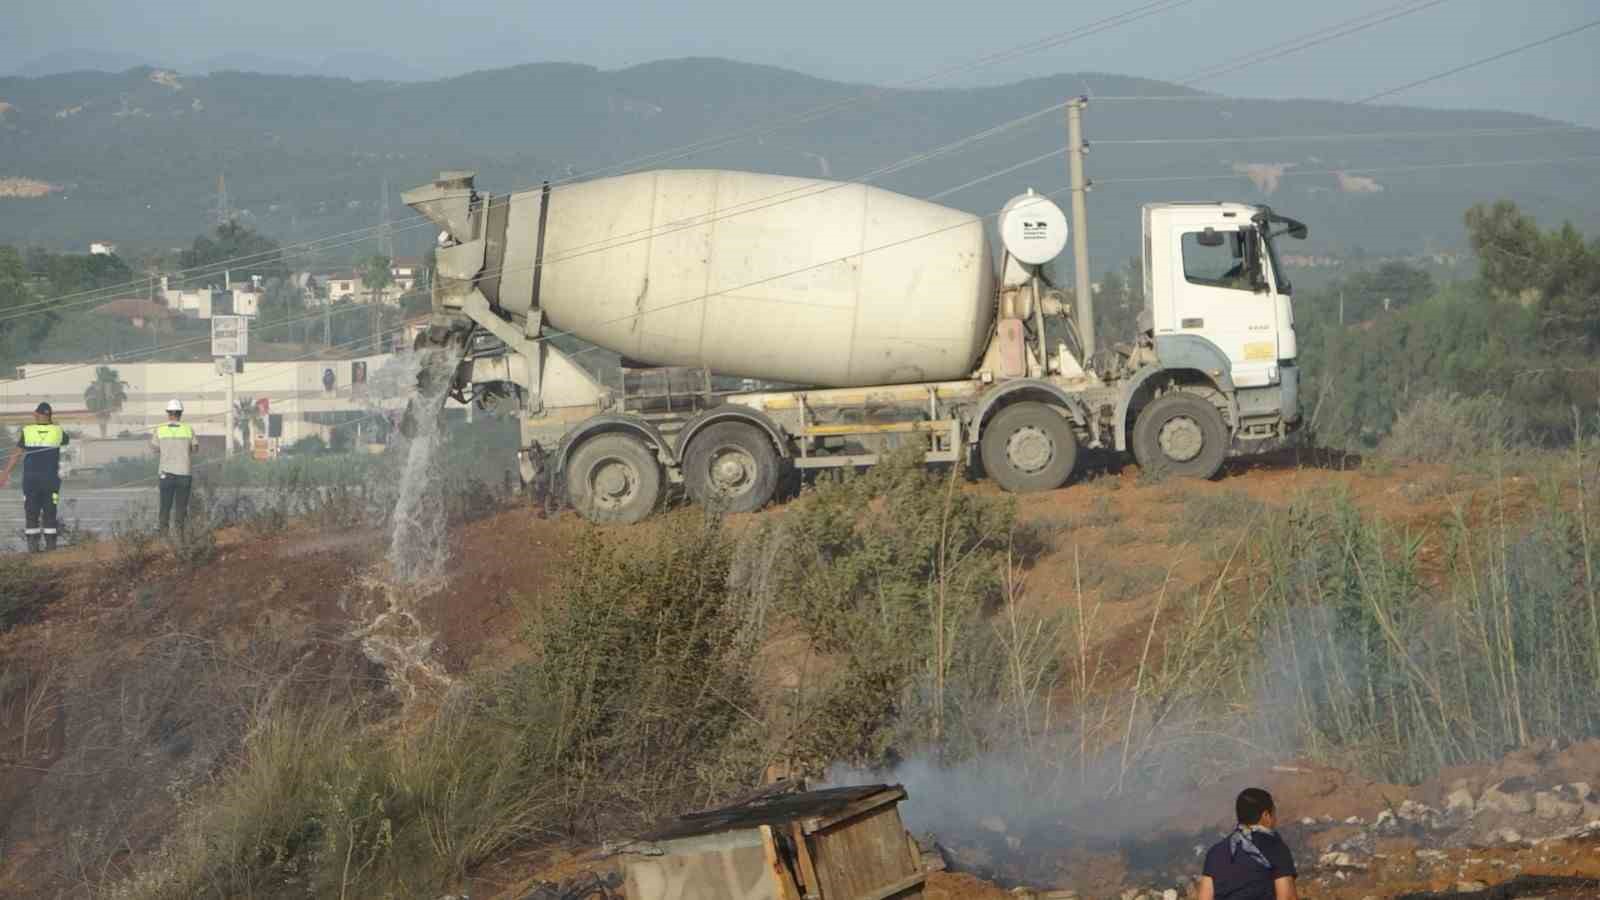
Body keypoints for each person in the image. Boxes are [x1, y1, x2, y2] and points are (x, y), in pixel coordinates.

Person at [1197, 788, 1298, 900]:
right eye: (1273, 813)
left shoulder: (1215, 853)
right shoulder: (1275, 847)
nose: (1275, 819)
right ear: (1266, 815)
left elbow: (1204, 897)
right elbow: (1288, 897)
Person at [0, 402, 70, 552]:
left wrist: (5, 473)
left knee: (31, 513)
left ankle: (33, 550)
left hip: (31, 480)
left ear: (37, 414)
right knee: (50, 512)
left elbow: (16, 454)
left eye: (36, 413)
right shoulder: (58, 431)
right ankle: (51, 549)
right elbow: (65, 441)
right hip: (51, 480)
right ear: (49, 415)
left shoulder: (28, 431)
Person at [154, 398, 199, 534]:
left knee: (165, 506)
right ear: (181, 413)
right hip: (184, 473)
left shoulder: (159, 430)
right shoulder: (188, 429)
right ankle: (179, 535)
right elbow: (195, 448)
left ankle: (163, 535)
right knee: (181, 507)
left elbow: (155, 449)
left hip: (165, 474)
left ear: (168, 413)